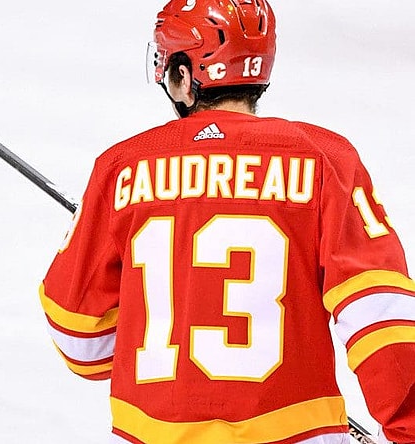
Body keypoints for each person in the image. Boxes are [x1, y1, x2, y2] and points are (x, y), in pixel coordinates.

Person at [38, 1, 415, 443]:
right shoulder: (325, 159)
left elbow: (81, 345)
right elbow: (381, 315)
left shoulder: (121, 169)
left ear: (183, 75)